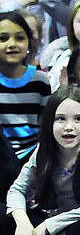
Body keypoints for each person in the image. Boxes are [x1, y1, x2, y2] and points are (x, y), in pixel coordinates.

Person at [2, 87, 80, 235]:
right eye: (60, 119)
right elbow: (17, 190)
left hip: (77, 222)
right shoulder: (44, 151)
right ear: (50, 122)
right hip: (48, 217)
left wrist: (50, 226)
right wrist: (23, 222)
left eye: (78, 119)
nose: (69, 127)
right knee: (6, 214)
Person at [0, 11, 51, 160]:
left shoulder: (40, 80)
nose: (12, 44)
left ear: (29, 42)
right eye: (3, 38)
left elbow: (45, 125)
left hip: (32, 156)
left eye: (20, 38)